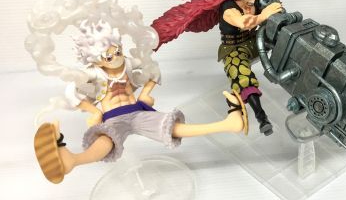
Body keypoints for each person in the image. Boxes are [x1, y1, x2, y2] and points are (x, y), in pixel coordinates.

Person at [34, 19, 247, 184]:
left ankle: (229, 124)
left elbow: (153, 69)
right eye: (108, 56)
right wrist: (94, 111)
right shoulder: (93, 73)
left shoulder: (128, 63)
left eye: (117, 50)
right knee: (106, 141)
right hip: (112, 117)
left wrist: (145, 92)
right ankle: (72, 160)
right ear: (95, 59)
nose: (116, 57)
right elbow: (71, 92)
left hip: (138, 111)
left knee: (169, 127)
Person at [152, 0, 283, 135]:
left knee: (282, 37)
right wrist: (265, 14)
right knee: (243, 77)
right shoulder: (229, 8)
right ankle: (262, 118)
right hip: (234, 48)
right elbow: (244, 23)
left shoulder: (254, 1)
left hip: (254, 40)